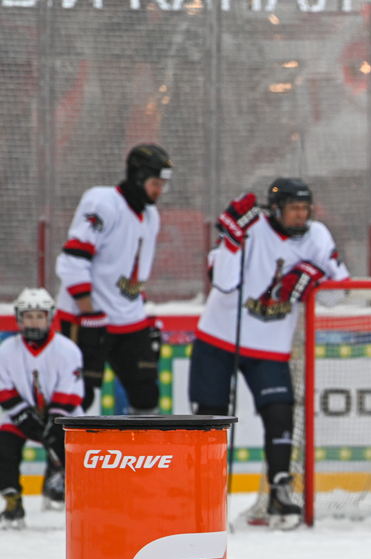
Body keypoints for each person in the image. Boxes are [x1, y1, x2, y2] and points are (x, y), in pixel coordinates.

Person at [190, 178, 350, 529]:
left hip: (270, 345)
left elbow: (338, 293)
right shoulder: (249, 229)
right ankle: (204, 498)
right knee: (210, 422)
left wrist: (315, 277)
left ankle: (279, 493)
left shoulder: (317, 237)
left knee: (280, 415)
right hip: (219, 338)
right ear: (275, 209)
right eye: (293, 208)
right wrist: (231, 240)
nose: (300, 215)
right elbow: (223, 282)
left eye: (305, 208)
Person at [55, 144, 172, 415]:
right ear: (138, 177)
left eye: (163, 184)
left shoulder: (151, 215)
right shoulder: (102, 202)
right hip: (84, 316)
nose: (159, 191)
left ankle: (141, 456)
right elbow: (73, 258)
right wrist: (89, 312)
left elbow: (134, 270)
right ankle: (64, 458)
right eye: (155, 183)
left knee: (146, 394)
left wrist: (141, 311)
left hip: (127, 318)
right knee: (78, 397)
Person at [1, 289, 85, 528]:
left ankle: (64, 494)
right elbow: (3, 387)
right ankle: (13, 502)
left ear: (49, 317)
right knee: (4, 448)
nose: (34, 321)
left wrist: (54, 421)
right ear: (19, 318)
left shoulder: (67, 349)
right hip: (21, 416)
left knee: (73, 452)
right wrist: (23, 416)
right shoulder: (6, 350)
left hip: (64, 417)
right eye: (28, 316)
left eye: (39, 315)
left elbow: (72, 390)